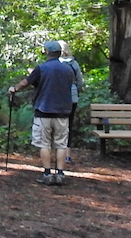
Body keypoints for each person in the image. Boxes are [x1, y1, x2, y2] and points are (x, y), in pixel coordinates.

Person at [8, 39, 76, 185]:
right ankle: (60, 174)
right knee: (61, 144)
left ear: (47, 53)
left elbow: (26, 82)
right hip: (63, 112)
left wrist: (14, 89)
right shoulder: (68, 69)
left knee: (44, 143)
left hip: (44, 111)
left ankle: (47, 174)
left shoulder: (41, 68)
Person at [59, 40, 84, 151]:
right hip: (72, 97)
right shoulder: (74, 64)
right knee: (69, 124)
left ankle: (56, 151)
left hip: (57, 97)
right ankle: (67, 153)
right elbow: (80, 82)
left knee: (56, 124)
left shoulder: (55, 63)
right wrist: (76, 91)